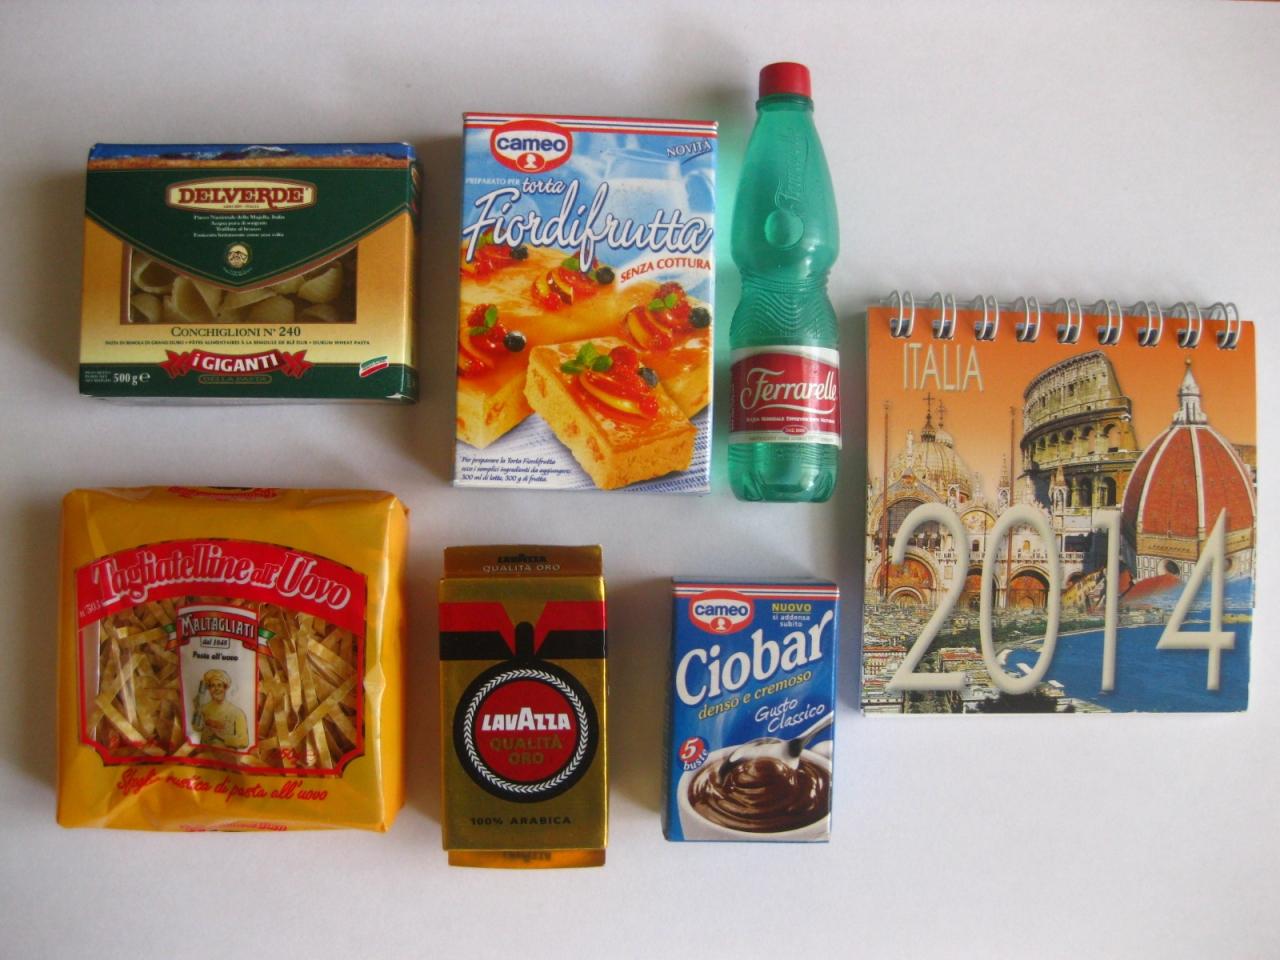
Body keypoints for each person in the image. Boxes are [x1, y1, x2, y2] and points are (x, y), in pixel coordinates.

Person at [193, 669, 249, 749]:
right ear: (209, 689)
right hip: (205, 753)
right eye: (213, 686)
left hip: (228, 755)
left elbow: (244, 741)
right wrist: (197, 708)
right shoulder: (203, 709)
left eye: (219, 685)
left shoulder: (237, 712)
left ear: (225, 688)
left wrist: (221, 737)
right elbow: (196, 728)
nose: (216, 689)